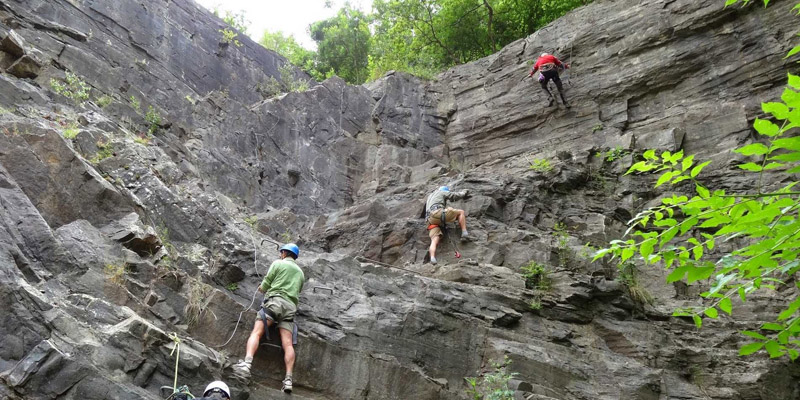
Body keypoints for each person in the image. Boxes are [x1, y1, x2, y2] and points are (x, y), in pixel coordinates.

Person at [233, 243, 305, 394]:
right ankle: (288, 379)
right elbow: (297, 290)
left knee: (256, 332)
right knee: (287, 343)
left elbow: (267, 283)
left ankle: (247, 364)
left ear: (285, 253)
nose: (280, 255)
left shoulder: (278, 263)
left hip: (275, 302)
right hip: (290, 308)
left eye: (281, 253)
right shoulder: (300, 273)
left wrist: (261, 288)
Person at [425, 186, 469, 265]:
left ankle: (432, 257)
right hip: (438, 213)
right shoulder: (441, 192)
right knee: (461, 212)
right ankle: (464, 232)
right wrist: (463, 192)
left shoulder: (430, 196)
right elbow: (453, 195)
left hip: (430, 220)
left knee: (434, 239)